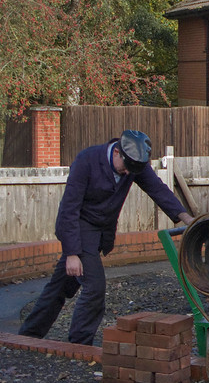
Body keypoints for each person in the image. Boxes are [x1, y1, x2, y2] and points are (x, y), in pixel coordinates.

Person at [19, 130, 194, 345]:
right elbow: (69, 210)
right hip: (79, 231)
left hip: (101, 232)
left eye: (134, 170)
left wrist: (187, 219)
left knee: (59, 288)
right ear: (117, 152)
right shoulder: (87, 161)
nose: (129, 173)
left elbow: (157, 189)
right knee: (94, 287)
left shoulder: (133, 164)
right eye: (126, 167)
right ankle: (80, 347)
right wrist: (72, 253)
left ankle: (26, 338)